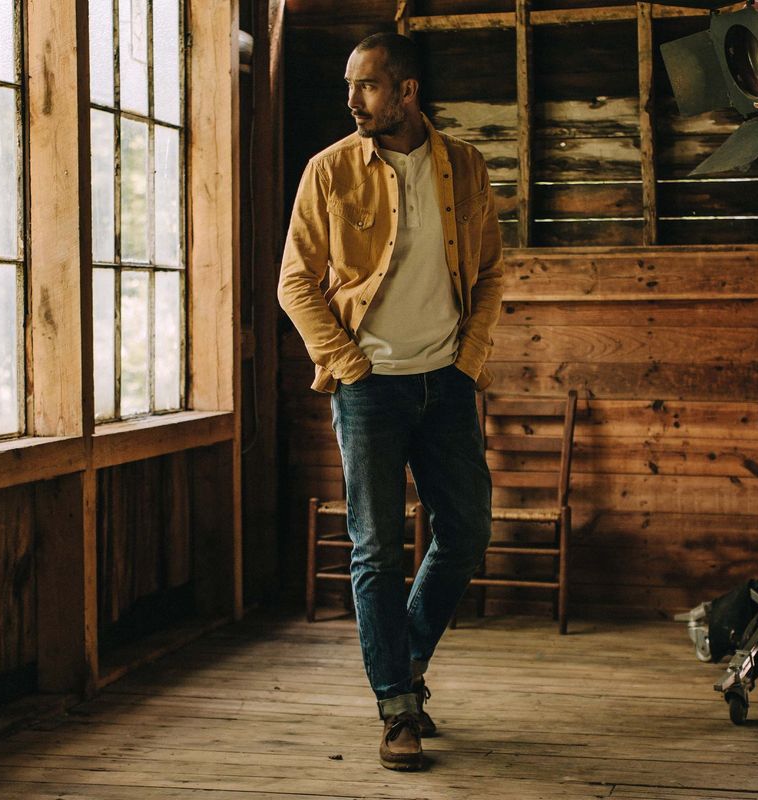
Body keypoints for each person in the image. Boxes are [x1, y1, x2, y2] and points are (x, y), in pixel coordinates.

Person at [278, 31, 503, 771]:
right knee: (376, 549)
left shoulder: (464, 167)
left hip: (445, 384)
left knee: (466, 531)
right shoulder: (330, 170)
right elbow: (295, 283)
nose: (351, 100)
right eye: (349, 84)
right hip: (367, 387)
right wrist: (347, 365)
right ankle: (397, 707)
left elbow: (493, 274)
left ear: (406, 91)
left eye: (367, 85)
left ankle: (398, 664)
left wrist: (468, 365)